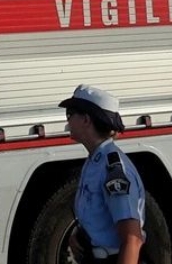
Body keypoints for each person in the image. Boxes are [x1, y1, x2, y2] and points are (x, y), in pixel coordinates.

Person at [61, 84, 146, 264]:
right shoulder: (94, 161)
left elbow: (132, 239)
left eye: (70, 114)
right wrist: (80, 234)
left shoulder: (113, 170)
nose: (67, 122)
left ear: (86, 120)